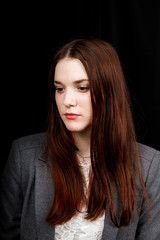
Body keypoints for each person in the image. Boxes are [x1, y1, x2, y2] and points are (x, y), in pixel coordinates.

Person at [0, 38, 160, 240]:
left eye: (82, 88)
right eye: (59, 88)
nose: (67, 101)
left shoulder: (149, 167)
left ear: (109, 92)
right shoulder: (24, 156)